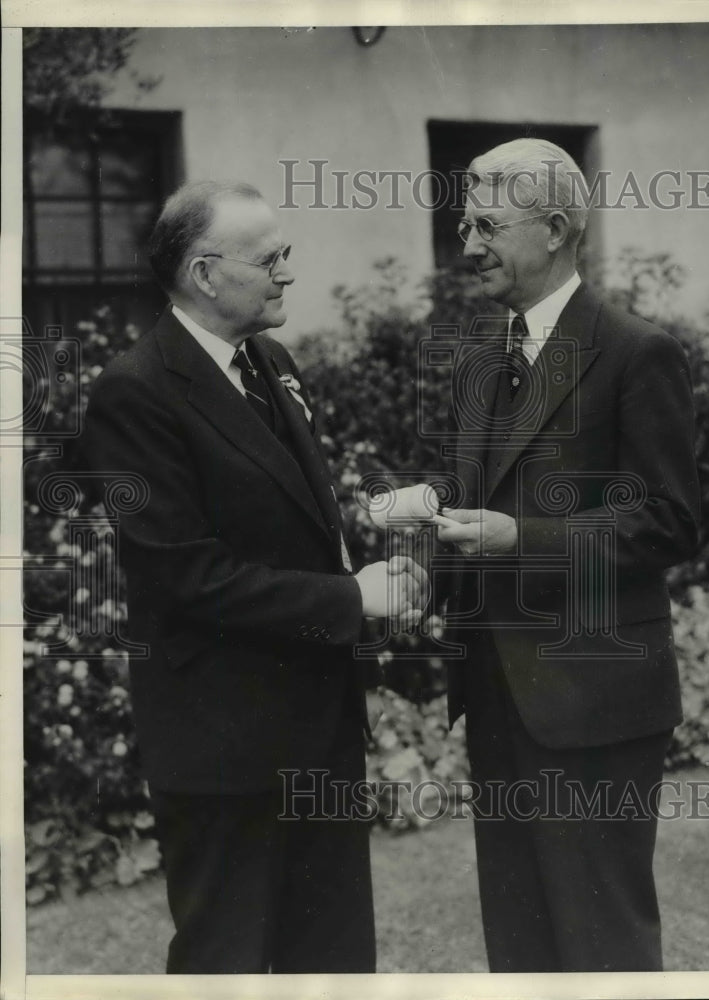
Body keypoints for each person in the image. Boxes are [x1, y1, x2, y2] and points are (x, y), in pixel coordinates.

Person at [82, 180, 427, 974]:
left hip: (318, 731)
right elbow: (186, 577)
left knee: (334, 963)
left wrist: (368, 544)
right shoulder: (135, 393)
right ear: (205, 275)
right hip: (223, 750)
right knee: (227, 964)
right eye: (271, 259)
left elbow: (285, 516)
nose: (287, 273)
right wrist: (350, 597)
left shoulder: (270, 361)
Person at [434, 139, 700, 972]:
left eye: (485, 224)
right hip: (499, 702)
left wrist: (525, 539)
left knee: (602, 948)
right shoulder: (482, 355)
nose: (466, 243)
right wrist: (423, 560)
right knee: (519, 950)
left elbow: (669, 523)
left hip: (595, 705)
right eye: (462, 222)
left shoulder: (633, 352)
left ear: (553, 229)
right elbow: (479, 508)